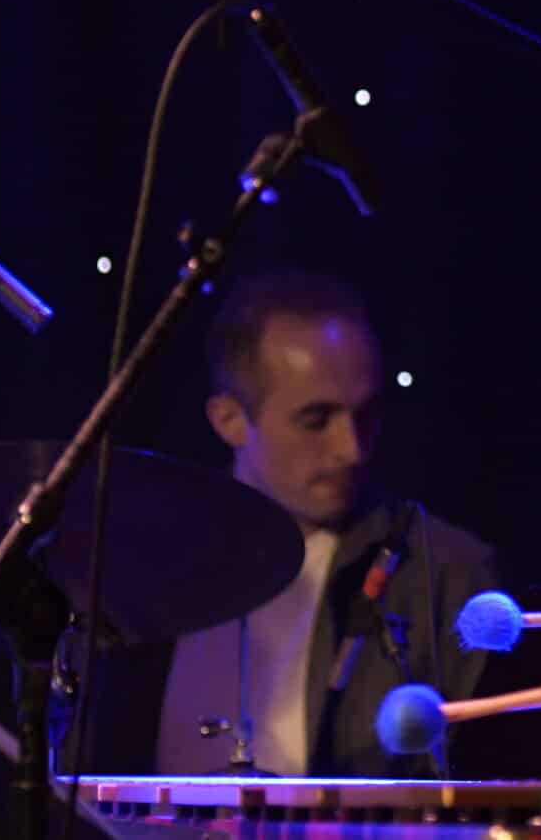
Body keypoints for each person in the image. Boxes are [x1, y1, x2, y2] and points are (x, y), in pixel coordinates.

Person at [80, 270, 500, 778]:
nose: (351, 449)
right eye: (316, 420)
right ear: (230, 420)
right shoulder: (141, 562)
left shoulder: (442, 571)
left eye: (365, 415)